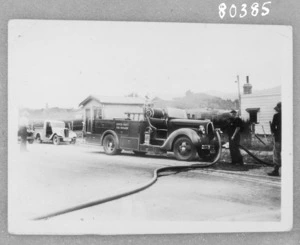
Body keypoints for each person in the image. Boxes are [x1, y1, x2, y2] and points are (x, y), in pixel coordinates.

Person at [268, 102, 281, 177]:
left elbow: (273, 127)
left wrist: (275, 133)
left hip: (278, 138)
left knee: (276, 154)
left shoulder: (276, 116)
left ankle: (276, 171)